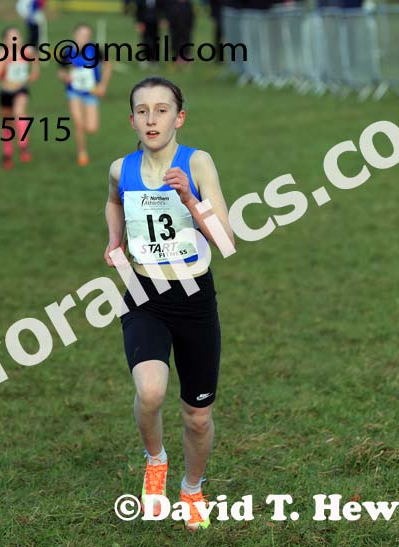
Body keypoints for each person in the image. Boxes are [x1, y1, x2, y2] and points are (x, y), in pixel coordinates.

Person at [103, 77, 234, 531]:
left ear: (178, 117)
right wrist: (114, 240)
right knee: (151, 391)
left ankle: (192, 488)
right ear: (132, 120)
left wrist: (190, 199)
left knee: (198, 417)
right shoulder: (122, 168)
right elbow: (112, 203)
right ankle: (155, 459)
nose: (151, 118)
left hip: (194, 297)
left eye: (162, 110)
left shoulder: (197, 163)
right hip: (144, 296)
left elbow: (226, 240)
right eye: (142, 111)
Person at [57, 23, 112, 167]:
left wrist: (103, 85)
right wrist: (65, 77)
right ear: (74, 35)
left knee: (92, 128)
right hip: (73, 91)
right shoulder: (67, 51)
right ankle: (82, 153)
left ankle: (83, 145)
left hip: (91, 91)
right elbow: (61, 70)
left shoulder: (95, 50)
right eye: (81, 35)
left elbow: (107, 65)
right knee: (78, 123)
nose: (84, 38)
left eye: (87, 36)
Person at [0, 26, 39, 169]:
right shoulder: (1, 54)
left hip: (20, 89)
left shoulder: (25, 51)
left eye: (17, 37)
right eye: (11, 38)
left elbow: (35, 59)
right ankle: (7, 153)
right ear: (4, 40)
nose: (15, 40)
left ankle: (23, 146)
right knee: (7, 124)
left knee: (20, 112)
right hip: (5, 91)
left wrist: (34, 73)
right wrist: (5, 64)